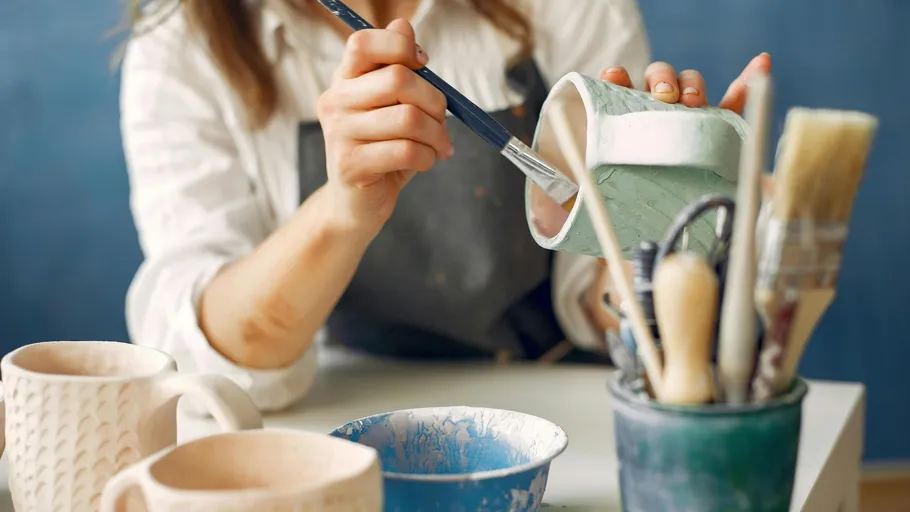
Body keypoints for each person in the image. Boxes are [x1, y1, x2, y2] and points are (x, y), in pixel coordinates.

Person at [121, 0, 771, 411]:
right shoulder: (181, 47)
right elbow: (198, 353)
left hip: (561, 412)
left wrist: (663, 228)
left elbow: (602, 299)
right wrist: (342, 210)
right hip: (334, 430)